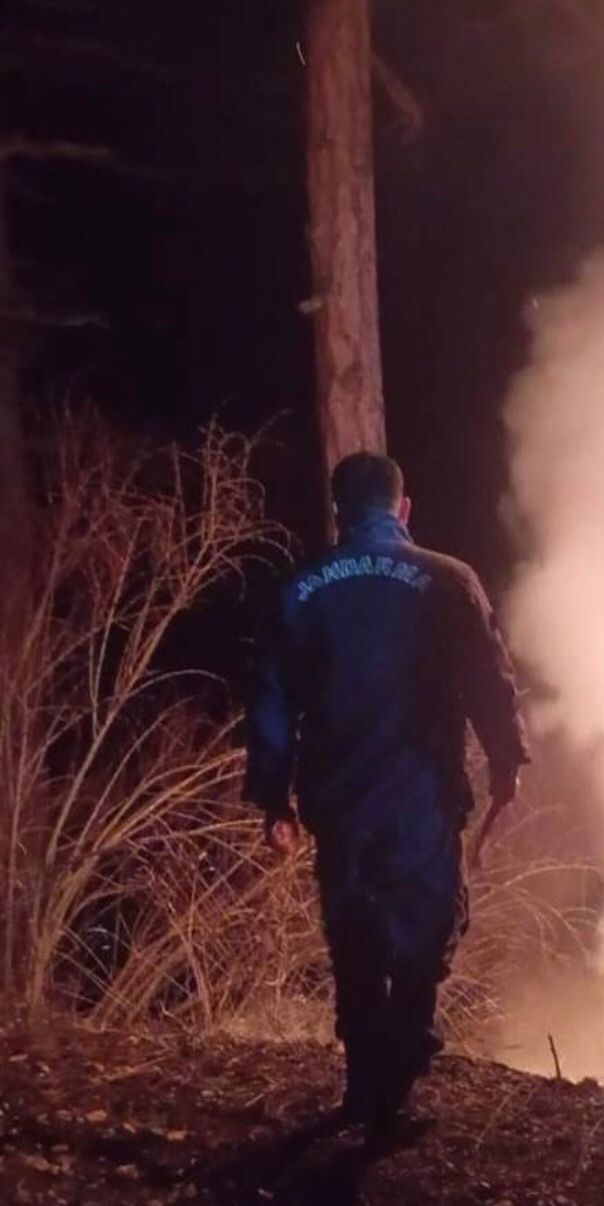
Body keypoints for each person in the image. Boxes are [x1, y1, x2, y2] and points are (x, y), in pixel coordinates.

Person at [244, 451, 528, 1147]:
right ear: (404, 508)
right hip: (422, 797)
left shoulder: (302, 586)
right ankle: (395, 1073)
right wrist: (507, 761)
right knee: (431, 929)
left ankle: (367, 1083)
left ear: (341, 510)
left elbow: (272, 699)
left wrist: (273, 797)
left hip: (338, 798)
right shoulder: (448, 580)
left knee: (355, 938)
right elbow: (491, 680)